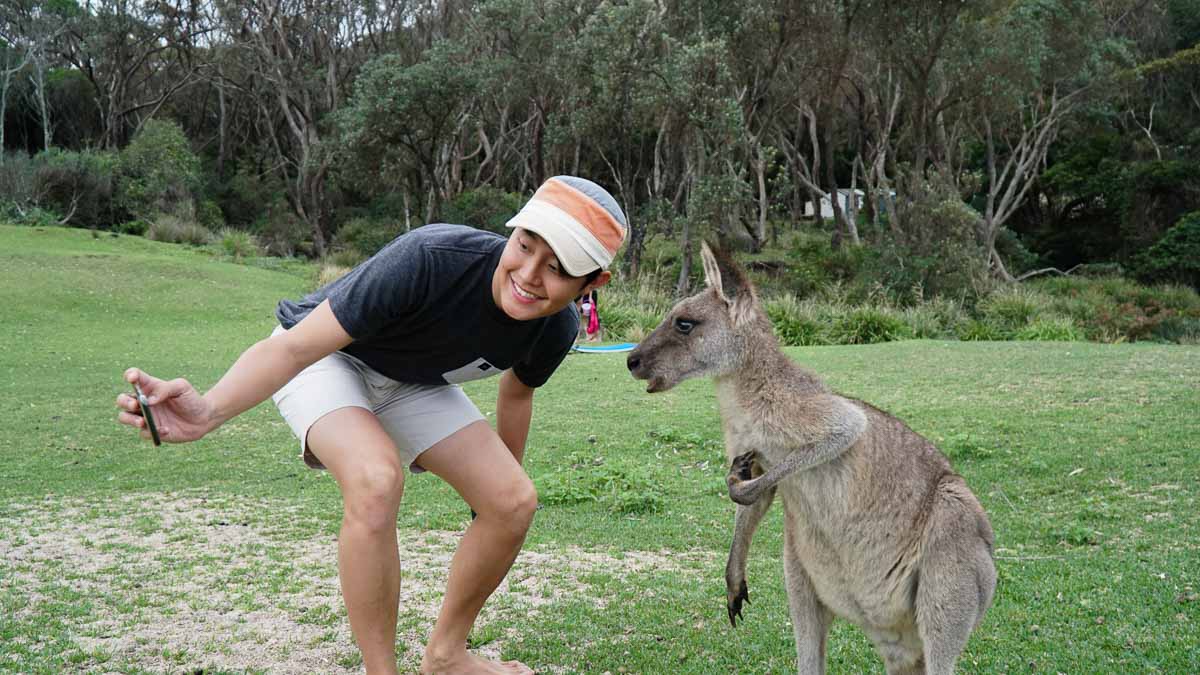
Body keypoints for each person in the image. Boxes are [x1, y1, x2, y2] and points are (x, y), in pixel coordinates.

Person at [115, 175, 626, 675]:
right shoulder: (432, 258)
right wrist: (208, 411)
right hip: (326, 358)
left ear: (592, 283)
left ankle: (446, 657)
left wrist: (491, 494)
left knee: (513, 502)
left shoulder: (555, 329)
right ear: (511, 232)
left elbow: (516, 393)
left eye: (558, 268)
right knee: (376, 480)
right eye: (524, 245)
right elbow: (293, 348)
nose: (530, 274)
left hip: (414, 382)